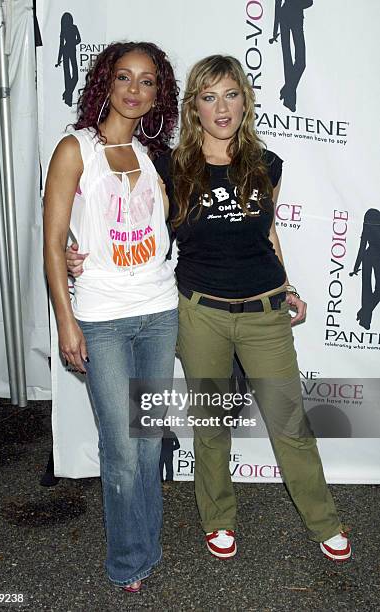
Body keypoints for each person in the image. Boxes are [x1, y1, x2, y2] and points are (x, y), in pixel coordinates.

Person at [67, 54, 351, 564]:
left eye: (232, 94)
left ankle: (324, 519)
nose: (222, 107)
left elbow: (267, 234)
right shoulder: (168, 167)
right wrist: (76, 252)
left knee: (290, 422)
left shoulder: (267, 164)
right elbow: (130, 223)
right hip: (200, 315)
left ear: (245, 100)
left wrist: (286, 285)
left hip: (264, 313)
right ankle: (218, 518)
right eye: (209, 96)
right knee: (212, 424)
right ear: (194, 106)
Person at [44, 41, 179, 592]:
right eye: (124, 77)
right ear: (106, 81)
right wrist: (66, 319)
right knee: (120, 448)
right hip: (101, 316)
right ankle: (128, 562)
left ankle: (147, 545)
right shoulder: (74, 149)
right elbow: (53, 243)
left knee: (147, 440)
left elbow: (160, 232)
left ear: (157, 94)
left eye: (147, 81)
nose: (134, 89)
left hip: (158, 310)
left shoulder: (151, 156)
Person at [349, 208, 380, 330]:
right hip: (375, 256)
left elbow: (362, 246)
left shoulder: (367, 222)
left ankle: (364, 316)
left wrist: (356, 267)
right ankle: (364, 316)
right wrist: (356, 267)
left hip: (368, 255)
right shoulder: (374, 219)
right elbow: (362, 245)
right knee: (373, 288)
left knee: (366, 287)